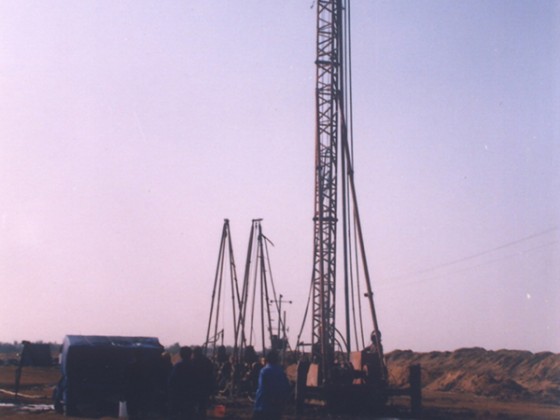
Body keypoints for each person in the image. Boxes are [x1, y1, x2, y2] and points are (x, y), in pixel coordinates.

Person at [252, 350, 291, 420]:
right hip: (276, 409)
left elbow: (262, 388)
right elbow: (287, 387)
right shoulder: (281, 372)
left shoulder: (264, 371)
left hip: (262, 407)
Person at [168, 346, 195, 420]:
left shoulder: (178, 366)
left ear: (181, 355)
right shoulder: (195, 366)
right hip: (191, 394)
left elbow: (172, 380)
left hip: (179, 393)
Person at [191, 346, 215, 419]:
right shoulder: (207, 361)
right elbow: (211, 374)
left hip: (195, 386)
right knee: (202, 404)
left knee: (194, 404)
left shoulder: (193, 361)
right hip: (204, 386)